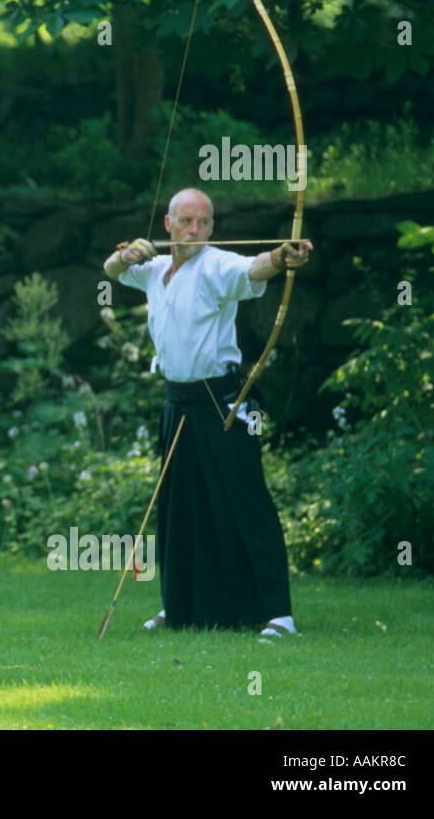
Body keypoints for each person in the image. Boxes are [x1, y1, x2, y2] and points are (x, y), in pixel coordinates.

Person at [103, 188, 312, 636]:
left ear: (212, 227)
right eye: (186, 222)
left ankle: (278, 614)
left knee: (245, 501)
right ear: (167, 224)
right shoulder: (154, 267)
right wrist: (126, 255)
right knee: (182, 507)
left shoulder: (218, 265)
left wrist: (281, 256)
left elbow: (255, 267)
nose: (194, 231)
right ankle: (181, 608)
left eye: (203, 223)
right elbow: (111, 270)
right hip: (177, 402)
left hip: (225, 401)